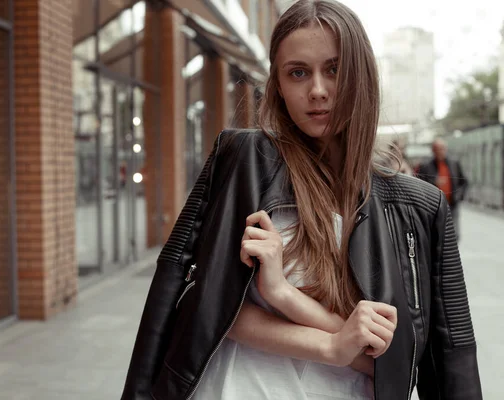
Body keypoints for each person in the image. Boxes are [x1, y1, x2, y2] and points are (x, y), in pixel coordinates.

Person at [121, 1, 482, 399]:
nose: (317, 91)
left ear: (362, 76)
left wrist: (283, 295)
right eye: (297, 73)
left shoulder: (418, 206)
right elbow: (205, 307)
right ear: (277, 85)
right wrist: (331, 341)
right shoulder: (244, 161)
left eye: (334, 69)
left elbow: (415, 359)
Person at [417, 138, 468, 238]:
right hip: (434, 206)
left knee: (454, 233)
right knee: (437, 233)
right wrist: (434, 182)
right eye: (438, 149)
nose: (441, 151)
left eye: (443, 148)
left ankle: (452, 252)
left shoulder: (454, 163)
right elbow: (420, 184)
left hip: (452, 204)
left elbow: (464, 182)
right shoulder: (426, 166)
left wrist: (459, 196)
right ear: (433, 150)